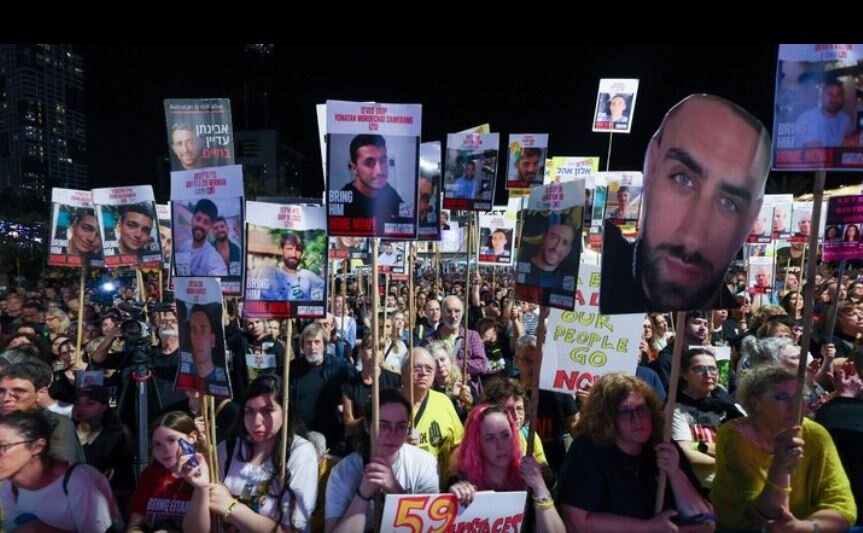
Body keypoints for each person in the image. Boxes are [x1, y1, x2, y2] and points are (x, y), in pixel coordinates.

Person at [601, 94, 772, 314]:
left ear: (751, 219)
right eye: (683, 179)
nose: (692, 239)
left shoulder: (738, 326)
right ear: (651, 166)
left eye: (728, 203)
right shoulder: (591, 288)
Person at [559, 373, 714, 530]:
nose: (637, 419)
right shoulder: (588, 449)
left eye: (642, 409)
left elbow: (707, 520)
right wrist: (648, 528)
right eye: (625, 412)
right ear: (607, 419)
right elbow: (575, 521)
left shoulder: (663, 445)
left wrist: (676, 473)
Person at [712, 365, 856, 531]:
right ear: (756, 403)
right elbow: (761, 516)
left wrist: (802, 527)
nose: (795, 406)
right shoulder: (733, 436)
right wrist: (780, 466)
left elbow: (843, 507)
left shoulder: (815, 435)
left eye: (800, 397)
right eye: (782, 397)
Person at [182, 376, 319, 532]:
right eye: (249, 412)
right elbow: (193, 530)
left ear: (285, 411)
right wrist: (200, 489)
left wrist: (230, 507)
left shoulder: (299, 453)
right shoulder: (228, 449)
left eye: (267, 411)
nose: (256, 422)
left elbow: (292, 530)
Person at [325, 389, 439, 532]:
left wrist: (395, 489)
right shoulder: (343, 472)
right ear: (367, 425)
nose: (392, 434)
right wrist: (363, 494)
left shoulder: (424, 462)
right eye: (383, 425)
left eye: (401, 426)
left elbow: (430, 527)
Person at [448, 404, 566, 533]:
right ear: (477, 443)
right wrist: (452, 502)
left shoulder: (529, 478)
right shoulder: (461, 480)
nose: (501, 445)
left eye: (505, 435)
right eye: (490, 438)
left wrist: (540, 488)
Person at [127, 411, 206, 531]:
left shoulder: (205, 474)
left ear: (192, 438)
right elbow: (135, 523)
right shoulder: (151, 474)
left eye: (171, 440)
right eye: (157, 444)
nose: (165, 449)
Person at [338, 134, 405, 226]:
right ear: (354, 168)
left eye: (382, 160)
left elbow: (407, 216)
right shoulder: (343, 202)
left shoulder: (387, 189)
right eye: (369, 163)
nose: (380, 171)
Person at [249, 232, 325, 301]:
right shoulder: (267, 273)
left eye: (298, 250)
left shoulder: (309, 277)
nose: (293, 254)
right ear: (281, 250)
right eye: (289, 248)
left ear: (302, 253)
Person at [180, 304, 230, 397]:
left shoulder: (224, 378)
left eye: (203, 330)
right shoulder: (183, 375)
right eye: (194, 330)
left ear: (212, 339)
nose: (198, 339)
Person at [795, 79, 854, 148]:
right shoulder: (808, 118)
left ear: (843, 98)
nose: (834, 98)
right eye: (830, 94)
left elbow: (852, 139)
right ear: (821, 97)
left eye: (839, 94)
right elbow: (815, 152)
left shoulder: (845, 119)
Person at [520, 220, 578, 289]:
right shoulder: (520, 265)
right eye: (553, 238)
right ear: (544, 237)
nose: (557, 247)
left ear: (568, 251)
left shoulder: (567, 282)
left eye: (564, 243)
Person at [177, 199, 228, 276]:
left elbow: (220, 272)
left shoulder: (213, 257)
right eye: (198, 219)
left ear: (211, 227)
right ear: (192, 220)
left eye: (206, 222)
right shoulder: (183, 247)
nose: (200, 225)